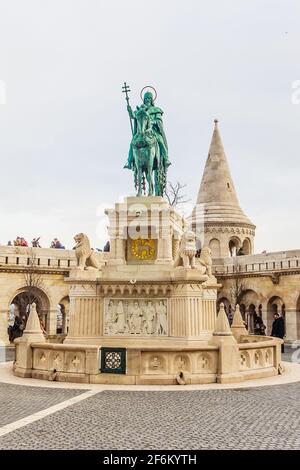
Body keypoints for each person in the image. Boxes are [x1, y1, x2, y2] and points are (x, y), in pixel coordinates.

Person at [124, 91, 170, 171]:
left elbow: (159, 121)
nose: (147, 100)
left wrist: (153, 122)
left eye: (149, 98)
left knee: (160, 141)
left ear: (152, 100)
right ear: (143, 100)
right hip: (141, 131)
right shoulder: (141, 110)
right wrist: (129, 110)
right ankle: (129, 161)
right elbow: (134, 116)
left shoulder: (156, 110)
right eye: (146, 98)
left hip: (153, 131)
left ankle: (166, 159)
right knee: (132, 143)